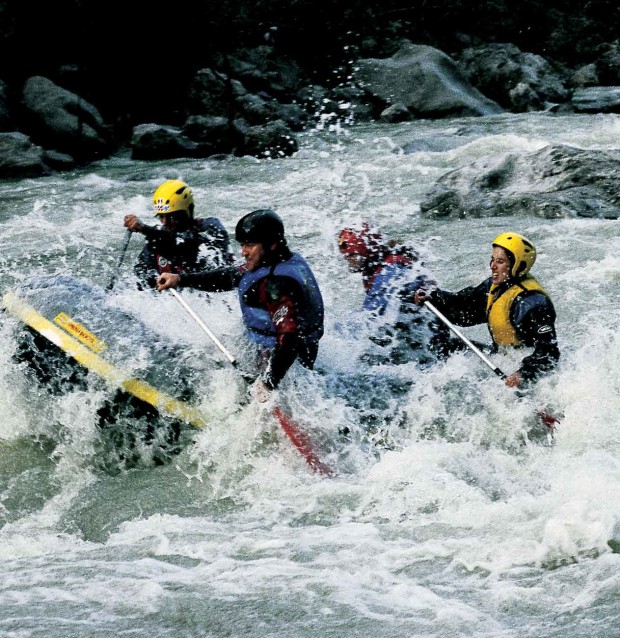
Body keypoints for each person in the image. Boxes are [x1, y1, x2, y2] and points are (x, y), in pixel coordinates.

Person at [157, 209, 324, 402]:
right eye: (242, 244)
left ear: (272, 244)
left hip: (283, 364)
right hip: (290, 356)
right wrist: (180, 279)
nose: (243, 251)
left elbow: (288, 338)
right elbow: (229, 277)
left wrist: (267, 383)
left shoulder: (276, 285)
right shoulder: (282, 259)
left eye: (250, 245)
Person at [413, 231, 560, 388]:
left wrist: (523, 373)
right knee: (450, 347)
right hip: (503, 358)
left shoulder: (532, 304)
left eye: (500, 262)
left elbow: (549, 352)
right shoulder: (495, 287)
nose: (492, 266)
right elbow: (464, 310)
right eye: (492, 260)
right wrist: (433, 297)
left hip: (529, 369)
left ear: (519, 265)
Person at [337, 222, 455, 365]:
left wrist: (334, 337)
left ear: (365, 252)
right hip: (419, 338)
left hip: (428, 345)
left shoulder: (390, 273)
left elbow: (369, 316)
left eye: (351, 256)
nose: (348, 261)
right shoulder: (383, 267)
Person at [124, 179, 234, 289]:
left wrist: (145, 229)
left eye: (172, 216)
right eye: (161, 216)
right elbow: (141, 271)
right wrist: (153, 280)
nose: (165, 222)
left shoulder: (210, 229)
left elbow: (183, 248)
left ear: (189, 211)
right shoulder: (157, 239)